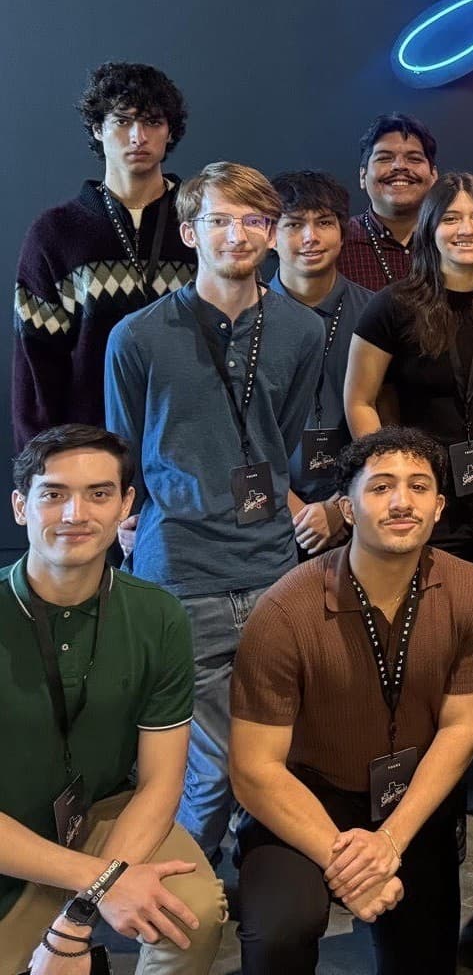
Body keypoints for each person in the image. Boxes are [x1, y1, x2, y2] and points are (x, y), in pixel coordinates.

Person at [104, 161, 324, 862]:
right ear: (191, 232)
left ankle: (236, 886)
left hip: (272, 567)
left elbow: (280, 436)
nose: (238, 234)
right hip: (180, 571)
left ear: (271, 233)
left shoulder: (302, 331)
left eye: (254, 220)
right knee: (207, 770)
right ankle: (177, 894)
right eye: (220, 220)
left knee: (270, 752)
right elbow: (124, 452)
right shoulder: (137, 336)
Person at [229, 427, 473, 975]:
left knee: (425, 959)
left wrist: (391, 840)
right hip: (304, 796)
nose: (402, 502)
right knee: (280, 929)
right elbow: (255, 770)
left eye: (418, 487)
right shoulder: (284, 612)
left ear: (439, 507)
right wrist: (350, 865)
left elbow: (461, 728)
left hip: (411, 798)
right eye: (380, 487)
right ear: (348, 509)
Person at [1, 424, 224, 975]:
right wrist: (101, 883)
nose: (75, 514)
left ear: (125, 505)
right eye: (54, 494)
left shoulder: (158, 615)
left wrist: (78, 916)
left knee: (193, 914)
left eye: (98, 494)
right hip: (9, 835)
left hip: (102, 815)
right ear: (21, 507)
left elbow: (161, 783)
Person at [344, 172, 473, 590]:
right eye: (451, 219)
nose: (467, 230)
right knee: (434, 609)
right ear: (430, 228)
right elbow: (359, 400)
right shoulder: (392, 306)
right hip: (427, 496)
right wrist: (390, 479)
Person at [13, 62, 195, 446]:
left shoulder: (204, 225)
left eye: (152, 122)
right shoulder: (56, 233)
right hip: (92, 451)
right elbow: (36, 366)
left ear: (170, 131)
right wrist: (44, 461)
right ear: (98, 128)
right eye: (122, 121)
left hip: (192, 446)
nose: (138, 137)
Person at [269, 171, 374, 557]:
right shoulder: (246, 321)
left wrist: (339, 507)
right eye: (294, 224)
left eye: (324, 223)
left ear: (343, 233)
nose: (310, 237)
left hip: (364, 509)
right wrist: (298, 512)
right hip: (272, 518)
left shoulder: (377, 313)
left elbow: (393, 421)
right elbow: (238, 435)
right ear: (270, 236)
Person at [336, 114, 440, 291]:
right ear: (363, 176)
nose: (399, 166)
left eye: (414, 158)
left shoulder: (454, 238)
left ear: (434, 176)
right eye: (384, 158)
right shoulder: (337, 243)